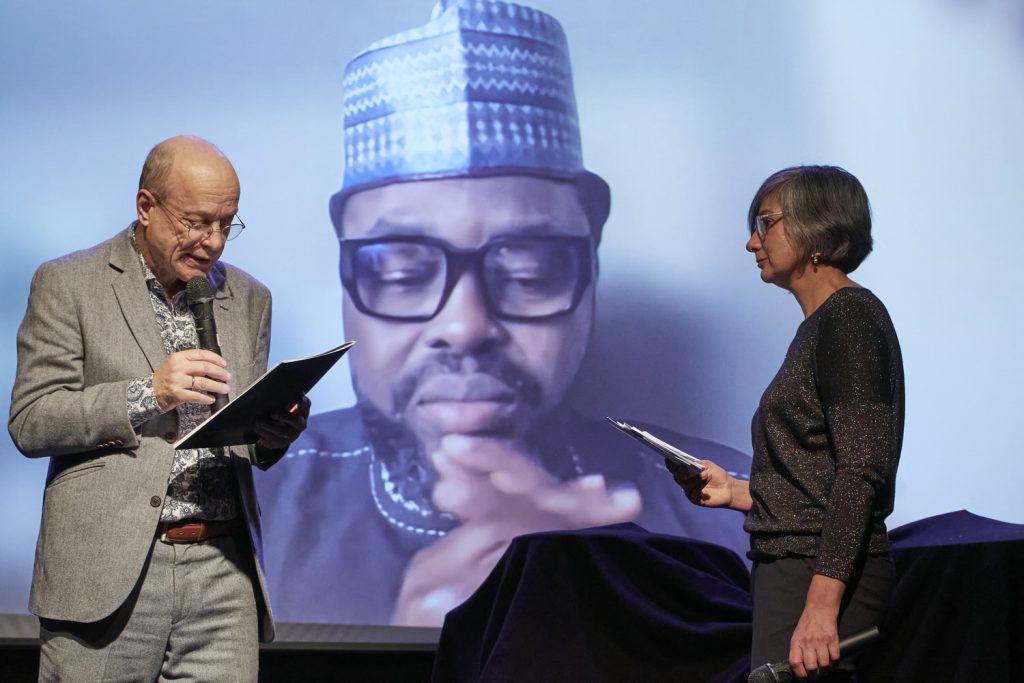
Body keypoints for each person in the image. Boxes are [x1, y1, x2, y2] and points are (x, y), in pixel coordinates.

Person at [256, 0, 750, 629]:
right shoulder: (241, 511)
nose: (464, 327)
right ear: (343, 263)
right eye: (401, 270)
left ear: (591, 246)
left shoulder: (734, 513)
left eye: (528, 269)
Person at [8, 135, 311, 681]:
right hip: (110, 570)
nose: (213, 241)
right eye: (196, 222)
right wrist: (150, 393)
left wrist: (275, 432)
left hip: (224, 569)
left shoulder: (249, 297)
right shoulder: (69, 283)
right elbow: (32, 421)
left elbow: (243, 444)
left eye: (227, 223)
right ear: (146, 207)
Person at [670, 165, 904, 680]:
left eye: (765, 222)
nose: (752, 242)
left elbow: (862, 470)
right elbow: (816, 482)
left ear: (817, 229)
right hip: (797, 568)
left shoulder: (849, 319)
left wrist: (821, 605)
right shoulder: (823, 324)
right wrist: (734, 491)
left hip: (819, 574)